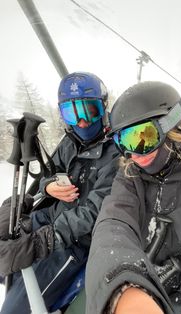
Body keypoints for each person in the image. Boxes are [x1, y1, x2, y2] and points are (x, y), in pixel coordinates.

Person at [85, 81, 181, 314]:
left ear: (175, 128)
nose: (134, 153)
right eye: (124, 141)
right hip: (133, 276)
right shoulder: (130, 177)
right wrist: (120, 288)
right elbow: (113, 225)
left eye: (143, 136)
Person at [0, 72, 120, 313]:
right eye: (72, 113)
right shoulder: (70, 142)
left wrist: (47, 240)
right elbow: (47, 174)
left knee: (14, 310)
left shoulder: (115, 155)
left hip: (74, 243)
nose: (82, 122)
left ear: (104, 108)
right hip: (48, 218)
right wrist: (48, 186)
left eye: (89, 111)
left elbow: (95, 212)